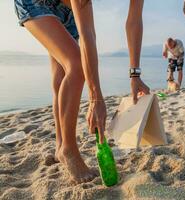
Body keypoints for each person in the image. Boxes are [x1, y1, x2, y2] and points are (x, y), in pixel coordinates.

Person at [14, 0, 149, 183]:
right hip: (36, 2)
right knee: (76, 65)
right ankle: (68, 149)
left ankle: (60, 146)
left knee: (62, 73)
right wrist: (95, 98)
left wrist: (135, 75)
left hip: (69, 11)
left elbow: (134, 21)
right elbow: (87, 34)